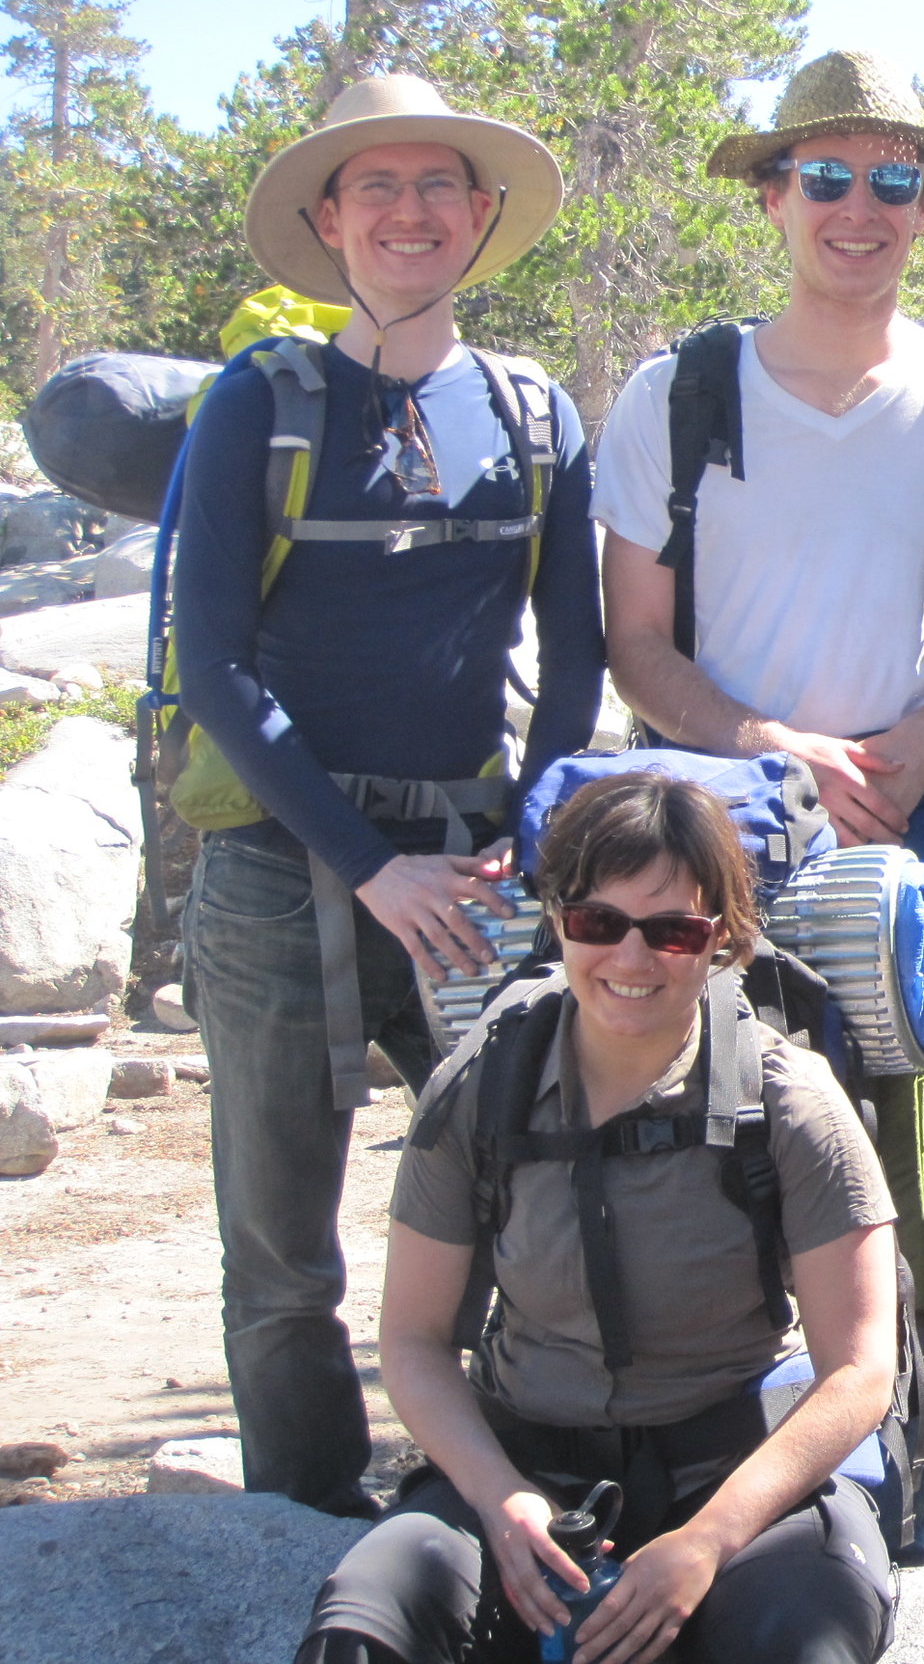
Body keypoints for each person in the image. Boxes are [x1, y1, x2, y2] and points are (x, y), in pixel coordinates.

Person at [179, 74, 601, 1517]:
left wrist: (525, 838)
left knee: (529, 1201)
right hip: (281, 872)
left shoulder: (535, 413)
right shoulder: (260, 403)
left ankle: (501, 1494)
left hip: (475, 876)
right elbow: (217, 667)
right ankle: (302, 1524)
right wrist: (371, 863)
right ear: (328, 218)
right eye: (377, 187)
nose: (410, 213)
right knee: (284, 1247)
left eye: (439, 186)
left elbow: (578, 661)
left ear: (482, 217)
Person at [297, 771, 900, 1664]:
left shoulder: (791, 1103)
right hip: (526, 1476)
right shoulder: (480, 1088)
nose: (630, 957)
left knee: (798, 1645)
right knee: (363, 1625)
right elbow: (416, 1342)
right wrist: (499, 1498)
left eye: (672, 930)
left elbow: (858, 1372)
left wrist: (710, 1539)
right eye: (598, 922)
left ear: (722, 940)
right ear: (558, 920)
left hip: (737, 1484)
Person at [592, 48, 924, 998]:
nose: (860, 208)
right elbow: (633, 642)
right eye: (825, 177)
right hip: (714, 830)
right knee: (721, 1135)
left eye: (893, 179)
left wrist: (920, 746)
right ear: (775, 198)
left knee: (918, 1141)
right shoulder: (674, 401)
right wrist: (776, 750)